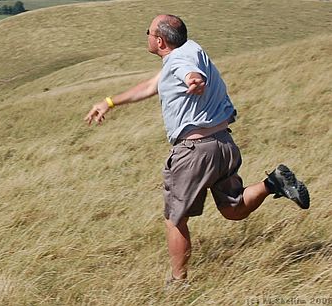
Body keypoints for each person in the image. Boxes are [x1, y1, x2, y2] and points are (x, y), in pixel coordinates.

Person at [84, 14, 309, 285]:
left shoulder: (180, 61)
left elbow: (188, 72)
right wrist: (109, 101)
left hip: (195, 152)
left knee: (175, 219)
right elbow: (151, 85)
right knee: (233, 209)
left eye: (148, 32)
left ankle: (178, 284)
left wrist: (194, 80)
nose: (146, 36)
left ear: (159, 40)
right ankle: (274, 182)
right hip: (223, 144)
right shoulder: (192, 48)